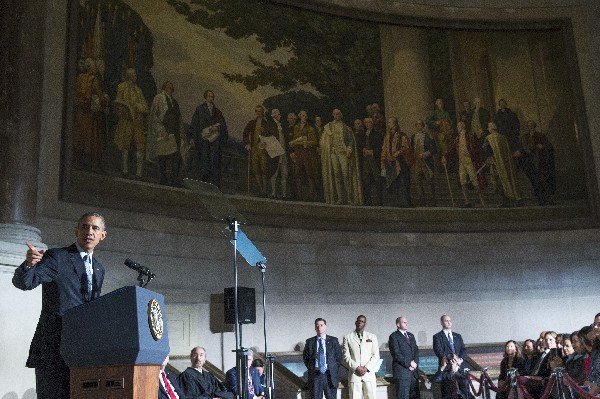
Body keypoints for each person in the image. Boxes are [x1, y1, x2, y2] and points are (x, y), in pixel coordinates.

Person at [12, 212, 108, 399]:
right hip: (53, 350)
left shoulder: (99, 268)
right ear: (76, 231)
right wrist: (29, 265)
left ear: (102, 235)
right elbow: (25, 283)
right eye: (85, 227)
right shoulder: (58, 257)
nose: (89, 232)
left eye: (95, 228)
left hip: (82, 352)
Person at [321, 109, 363, 205]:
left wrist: (349, 148)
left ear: (341, 115)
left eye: (338, 114)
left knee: (345, 174)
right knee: (336, 174)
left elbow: (350, 140)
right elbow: (324, 141)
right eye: (335, 114)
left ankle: (349, 198)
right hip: (333, 153)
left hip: (343, 153)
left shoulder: (346, 127)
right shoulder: (329, 127)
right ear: (333, 115)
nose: (336, 115)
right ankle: (340, 198)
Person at [188, 89, 229, 188]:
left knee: (214, 161)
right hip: (203, 140)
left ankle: (214, 185)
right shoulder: (200, 109)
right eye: (209, 96)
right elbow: (194, 124)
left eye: (212, 96)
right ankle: (202, 184)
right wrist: (193, 138)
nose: (211, 98)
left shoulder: (217, 111)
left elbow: (223, 125)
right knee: (204, 161)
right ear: (205, 97)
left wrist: (217, 127)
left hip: (214, 141)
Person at [113, 68, 149, 179]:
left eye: (135, 75)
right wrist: (127, 108)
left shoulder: (138, 90)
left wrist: (139, 107)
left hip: (137, 122)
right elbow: (118, 102)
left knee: (140, 145)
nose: (135, 77)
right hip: (126, 121)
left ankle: (139, 173)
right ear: (129, 76)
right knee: (125, 144)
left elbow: (145, 107)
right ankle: (125, 170)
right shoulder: (122, 87)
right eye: (134, 75)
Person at [443, 121, 485, 208]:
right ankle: (467, 201)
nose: (458, 128)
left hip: (470, 161)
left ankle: (482, 201)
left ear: (463, 126)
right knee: (462, 181)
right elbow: (452, 149)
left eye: (459, 126)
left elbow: (477, 147)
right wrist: (445, 157)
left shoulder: (470, 136)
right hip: (461, 162)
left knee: (475, 180)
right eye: (457, 126)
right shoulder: (457, 139)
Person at [149, 81, 183, 186]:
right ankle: (163, 179)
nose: (169, 89)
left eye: (171, 88)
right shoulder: (159, 98)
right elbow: (154, 115)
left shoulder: (174, 102)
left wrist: (181, 131)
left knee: (177, 157)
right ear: (164, 88)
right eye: (167, 87)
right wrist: (162, 130)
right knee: (162, 156)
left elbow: (179, 118)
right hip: (164, 131)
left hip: (174, 132)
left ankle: (174, 180)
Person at [482, 122, 522, 207]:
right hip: (506, 163)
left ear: (491, 128)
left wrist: (489, 158)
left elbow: (486, 149)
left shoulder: (489, 138)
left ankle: (506, 201)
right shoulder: (503, 137)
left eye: (488, 127)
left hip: (496, 163)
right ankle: (513, 199)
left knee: (499, 181)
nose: (488, 129)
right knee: (508, 179)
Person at [303, 318, 342, 399]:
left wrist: (332, 369)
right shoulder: (310, 342)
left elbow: (339, 358)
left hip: (329, 375)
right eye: (317, 325)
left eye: (321, 325)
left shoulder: (333, 340)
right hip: (316, 375)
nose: (319, 327)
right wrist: (312, 368)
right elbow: (306, 358)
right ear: (315, 327)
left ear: (325, 326)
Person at [243, 105, 277, 197]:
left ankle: (265, 191)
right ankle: (261, 190)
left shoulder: (267, 123)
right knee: (256, 169)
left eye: (260, 111)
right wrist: (247, 143)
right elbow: (245, 133)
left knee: (264, 170)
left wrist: (266, 138)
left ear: (262, 112)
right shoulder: (252, 123)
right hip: (254, 149)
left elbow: (272, 136)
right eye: (257, 111)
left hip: (263, 150)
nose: (258, 113)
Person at [342, 315, 380, 399]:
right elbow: (346, 357)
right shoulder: (347, 337)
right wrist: (356, 367)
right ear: (355, 322)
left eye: (362, 321)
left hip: (369, 375)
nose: (360, 322)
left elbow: (375, 356)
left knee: (371, 397)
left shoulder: (372, 337)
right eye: (358, 321)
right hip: (355, 375)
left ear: (365, 324)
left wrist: (366, 368)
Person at [519, 120, 556, 205]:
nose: (530, 127)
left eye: (532, 125)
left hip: (541, 162)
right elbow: (524, 150)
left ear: (534, 126)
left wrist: (542, 146)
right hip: (531, 163)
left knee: (544, 181)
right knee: (536, 182)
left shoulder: (541, 135)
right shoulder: (524, 137)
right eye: (528, 126)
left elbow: (549, 146)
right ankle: (540, 199)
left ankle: (548, 199)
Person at [433, 315, 467, 399]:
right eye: (446, 320)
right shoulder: (437, 336)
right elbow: (438, 351)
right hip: (446, 370)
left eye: (450, 320)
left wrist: (460, 360)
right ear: (441, 323)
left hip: (460, 368)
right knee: (448, 394)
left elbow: (463, 349)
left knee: (464, 393)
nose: (449, 322)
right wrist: (450, 360)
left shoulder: (457, 336)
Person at [381, 117, 413, 208]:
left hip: (401, 162)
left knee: (403, 182)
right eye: (388, 122)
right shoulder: (387, 136)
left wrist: (397, 153)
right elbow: (384, 149)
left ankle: (405, 202)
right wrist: (383, 162)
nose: (388, 124)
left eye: (390, 122)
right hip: (391, 163)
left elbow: (406, 148)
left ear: (395, 124)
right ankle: (398, 202)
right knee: (394, 183)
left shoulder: (401, 135)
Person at [290, 110, 319, 202]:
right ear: (299, 117)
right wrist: (293, 147)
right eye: (302, 115)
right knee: (297, 174)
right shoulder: (296, 127)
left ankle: (311, 195)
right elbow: (294, 140)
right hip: (298, 154)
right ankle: (299, 195)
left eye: (305, 116)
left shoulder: (311, 128)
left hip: (308, 154)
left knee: (310, 174)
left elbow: (315, 142)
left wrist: (306, 143)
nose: (304, 117)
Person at [388, 316, 420, 399]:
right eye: (404, 322)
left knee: (414, 396)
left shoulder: (411, 335)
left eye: (407, 322)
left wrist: (415, 363)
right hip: (402, 373)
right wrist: (409, 363)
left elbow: (416, 350)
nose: (406, 324)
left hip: (413, 374)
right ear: (398, 324)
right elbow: (396, 354)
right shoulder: (393, 336)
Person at [357, 117, 384, 206]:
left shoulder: (377, 134)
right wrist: (363, 150)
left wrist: (372, 152)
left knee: (377, 179)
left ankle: (379, 201)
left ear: (372, 123)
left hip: (374, 160)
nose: (367, 124)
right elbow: (360, 147)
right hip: (365, 161)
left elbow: (380, 148)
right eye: (366, 122)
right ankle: (368, 200)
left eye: (369, 122)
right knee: (366, 180)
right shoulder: (362, 135)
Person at [411, 119, 437, 207]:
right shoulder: (413, 137)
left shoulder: (428, 136)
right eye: (417, 124)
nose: (419, 126)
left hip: (426, 162)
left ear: (423, 126)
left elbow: (434, 149)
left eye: (420, 124)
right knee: (417, 182)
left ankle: (432, 202)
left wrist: (425, 154)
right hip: (417, 162)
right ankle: (421, 201)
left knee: (429, 181)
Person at [269, 108, 289, 200]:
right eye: (279, 114)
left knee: (284, 173)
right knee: (274, 173)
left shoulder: (282, 125)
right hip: (275, 153)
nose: (280, 116)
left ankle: (284, 194)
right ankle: (273, 193)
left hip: (283, 153)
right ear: (275, 115)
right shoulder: (271, 125)